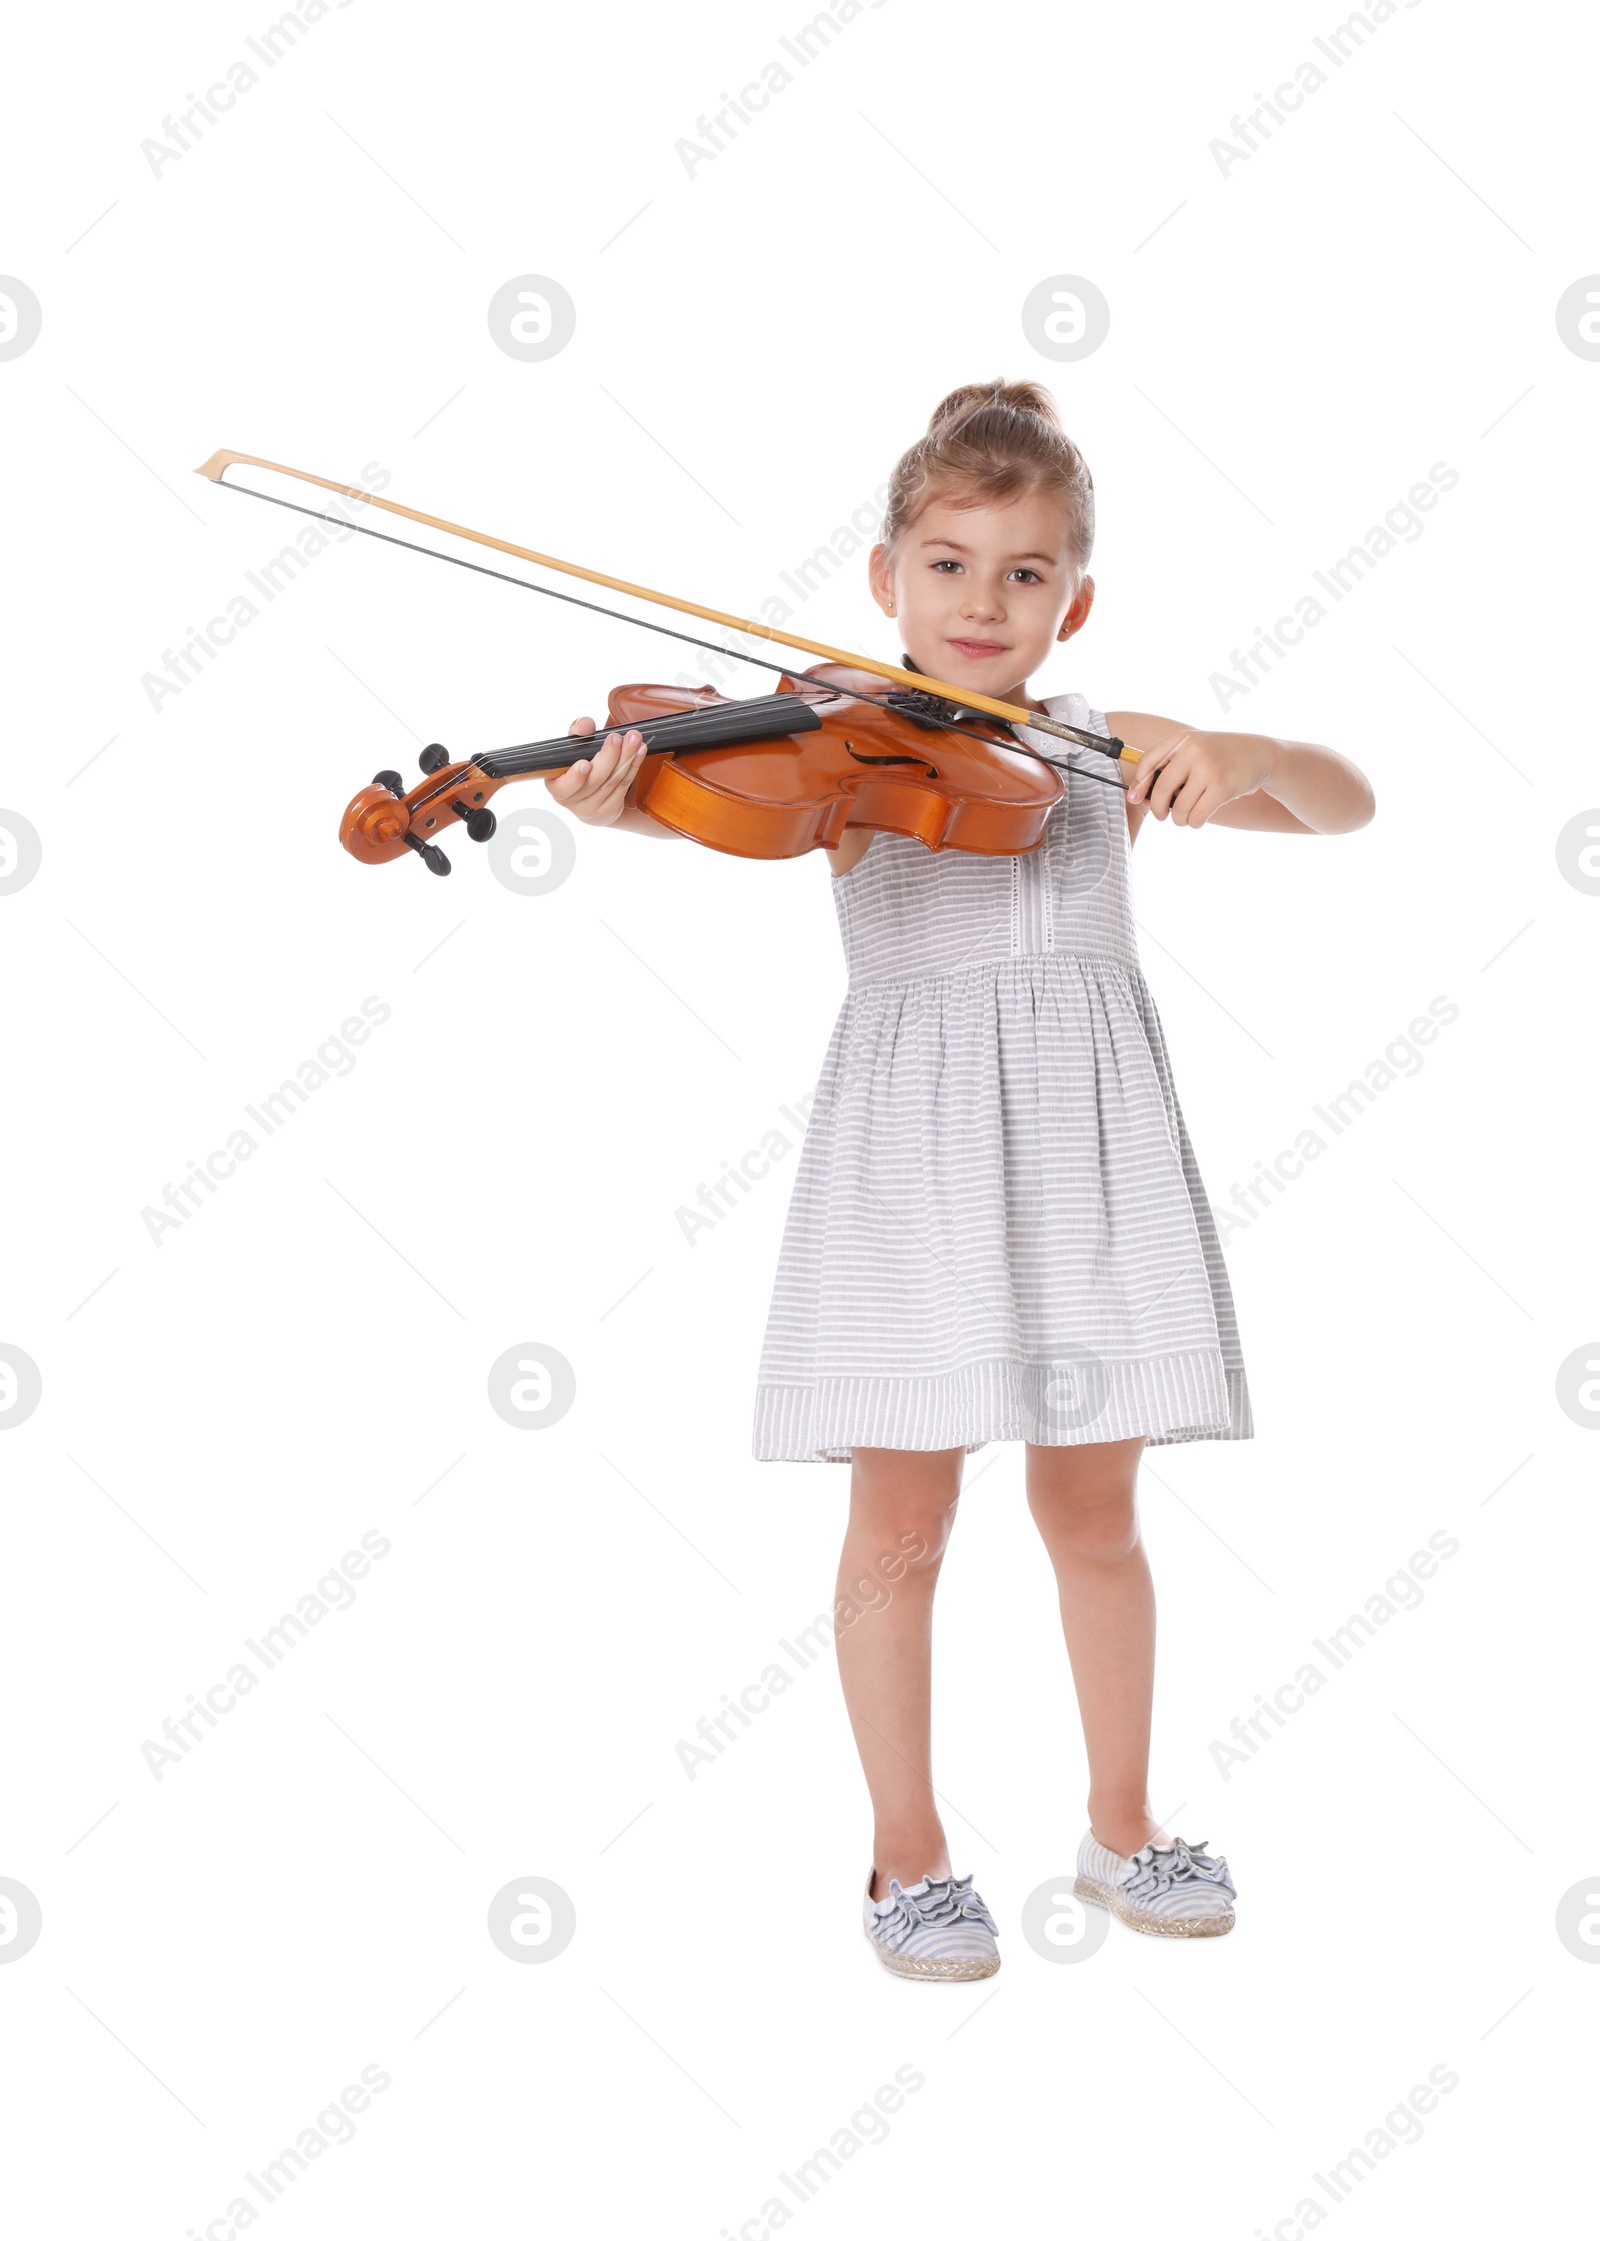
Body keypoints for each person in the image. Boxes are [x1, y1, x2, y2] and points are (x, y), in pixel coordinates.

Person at [546, 381, 1374, 1982]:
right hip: (910, 1161)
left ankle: (1124, 1824)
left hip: (1091, 1152)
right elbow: (719, 806)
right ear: (884, 580)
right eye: (947, 564)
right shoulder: (834, 743)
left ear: (1076, 598)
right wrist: (614, 790)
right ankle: (907, 1855)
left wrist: (1244, 744)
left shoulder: (1104, 748)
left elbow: (1346, 803)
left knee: (1095, 1503)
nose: (982, 603)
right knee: (902, 1513)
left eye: (1022, 572)